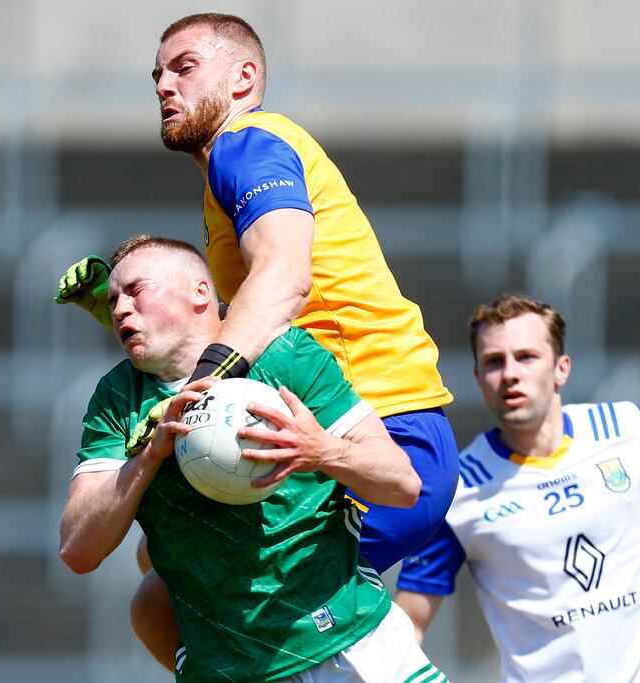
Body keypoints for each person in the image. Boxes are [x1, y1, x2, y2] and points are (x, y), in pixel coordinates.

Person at [58, 13, 459, 648]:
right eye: (158, 75)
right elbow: (242, 309)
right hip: (362, 431)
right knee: (161, 580)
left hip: (373, 432)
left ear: (245, 78)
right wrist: (131, 309)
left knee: (185, 592)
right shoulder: (234, 170)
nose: (165, 85)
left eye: (185, 68)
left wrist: (196, 385)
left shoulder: (246, 144)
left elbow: (283, 276)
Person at [58, 235, 450, 683]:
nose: (120, 309)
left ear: (200, 292)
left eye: (136, 290)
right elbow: (77, 549)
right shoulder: (118, 399)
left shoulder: (287, 355)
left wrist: (322, 450)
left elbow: (403, 485)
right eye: (111, 301)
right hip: (233, 672)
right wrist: (150, 455)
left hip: (360, 645)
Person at [393, 293, 640, 682]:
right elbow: (411, 620)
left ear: (561, 368)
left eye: (526, 357)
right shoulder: (461, 488)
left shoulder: (627, 430)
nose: (510, 374)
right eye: (494, 362)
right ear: (478, 377)